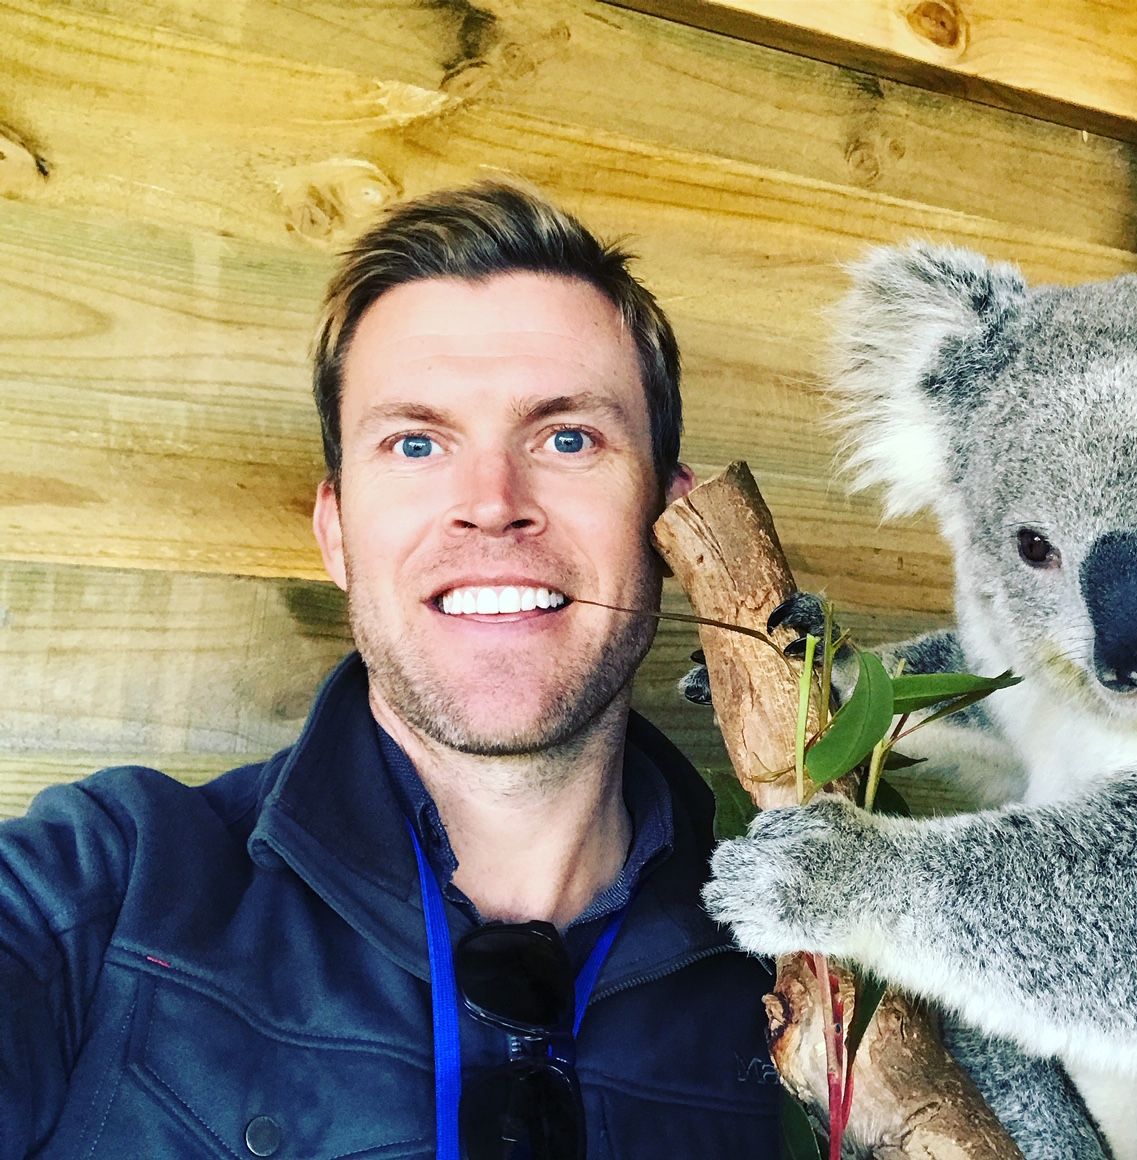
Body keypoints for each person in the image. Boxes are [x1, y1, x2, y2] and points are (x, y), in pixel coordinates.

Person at [0, 182, 784, 1159]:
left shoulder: (801, 981)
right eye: (416, 441)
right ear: (335, 531)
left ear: (673, 527)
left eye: (567, 437)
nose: (491, 503)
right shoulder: (106, 888)